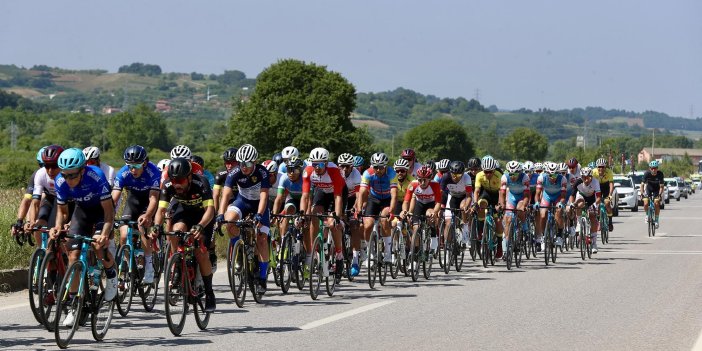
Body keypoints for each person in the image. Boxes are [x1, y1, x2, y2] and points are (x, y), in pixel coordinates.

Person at [49, 148, 117, 326]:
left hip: (102, 213)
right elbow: (63, 212)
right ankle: (73, 306)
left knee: (98, 246)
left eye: (73, 175)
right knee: (73, 256)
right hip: (82, 212)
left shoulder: (96, 176)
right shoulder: (60, 181)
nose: (69, 180)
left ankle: (112, 276)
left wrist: (104, 235)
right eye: (65, 175)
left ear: (82, 169)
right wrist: (57, 227)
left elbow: (109, 213)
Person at [153, 157, 216, 311]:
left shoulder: (201, 182)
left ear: (189, 177)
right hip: (184, 212)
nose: (177, 184)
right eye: (174, 180)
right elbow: (161, 210)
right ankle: (178, 265)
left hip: (202, 216)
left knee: (201, 252)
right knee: (175, 231)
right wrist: (155, 227)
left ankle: (209, 292)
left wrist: (201, 226)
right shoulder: (168, 185)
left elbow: (210, 210)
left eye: (180, 180)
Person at [216, 144, 271, 293]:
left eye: (247, 164)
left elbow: (264, 196)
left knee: (261, 239)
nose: (244, 167)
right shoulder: (234, 172)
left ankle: (262, 277)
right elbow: (226, 195)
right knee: (229, 222)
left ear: (254, 162)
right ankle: (239, 250)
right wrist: (220, 215)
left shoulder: (262, 172)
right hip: (243, 202)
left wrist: (259, 214)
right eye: (241, 164)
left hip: (259, 205)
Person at [111, 145, 161, 284]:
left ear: (144, 162)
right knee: (123, 234)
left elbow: (154, 199)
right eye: (129, 165)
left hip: (149, 201)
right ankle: (129, 263)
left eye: (137, 165)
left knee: (142, 226)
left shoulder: (153, 172)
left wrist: (148, 215)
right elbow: (114, 198)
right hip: (133, 201)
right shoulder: (123, 173)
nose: (133, 169)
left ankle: (149, 266)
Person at [300, 147, 346, 280]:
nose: (317, 167)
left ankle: (339, 255)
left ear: (326, 163)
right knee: (314, 215)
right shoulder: (308, 171)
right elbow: (305, 196)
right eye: (314, 164)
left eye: (320, 164)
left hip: (336, 193)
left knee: (333, 223)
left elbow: (338, 197)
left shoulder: (334, 171)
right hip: (321, 191)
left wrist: (337, 217)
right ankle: (314, 250)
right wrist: (303, 214)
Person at [356, 152, 397, 274]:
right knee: (367, 225)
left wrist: (392, 210)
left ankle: (388, 253)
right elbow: (362, 192)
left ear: (385, 166)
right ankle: (370, 254)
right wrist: (358, 210)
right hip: (373, 198)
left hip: (387, 199)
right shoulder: (368, 173)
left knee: (384, 220)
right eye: (375, 167)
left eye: (381, 167)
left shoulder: (391, 173)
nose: (378, 170)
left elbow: (394, 195)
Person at [401, 165, 442, 254]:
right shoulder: (413, 184)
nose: (422, 182)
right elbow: (406, 201)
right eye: (420, 180)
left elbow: (438, 202)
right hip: (419, 204)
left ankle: (434, 237)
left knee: (430, 215)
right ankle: (415, 253)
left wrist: (435, 212)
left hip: (430, 204)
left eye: (425, 180)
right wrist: (404, 211)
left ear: (429, 179)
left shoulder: (435, 185)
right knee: (415, 228)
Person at [12, 146, 45, 242]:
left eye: (51, 165)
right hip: (45, 207)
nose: (45, 169)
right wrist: (20, 221)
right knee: (35, 199)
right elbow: (27, 200)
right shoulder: (37, 175)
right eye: (41, 164)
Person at [472, 157, 505, 258]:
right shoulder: (479, 175)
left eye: (490, 172)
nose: (488, 174)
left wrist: (500, 205)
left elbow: (501, 192)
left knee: (498, 221)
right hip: (485, 194)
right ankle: (481, 230)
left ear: (494, 170)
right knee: (481, 204)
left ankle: (499, 245)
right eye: (486, 172)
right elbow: (477, 191)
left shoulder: (500, 176)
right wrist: (475, 203)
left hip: (496, 196)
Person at [499, 161, 530, 257]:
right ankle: (506, 247)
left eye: (515, 174)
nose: (512, 176)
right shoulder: (504, 177)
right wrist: (502, 205)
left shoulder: (525, 177)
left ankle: (524, 227)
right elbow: (502, 193)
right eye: (511, 174)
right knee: (508, 219)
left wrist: (524, 206)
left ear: (520, 172)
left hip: (522, 197)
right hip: (512, 197)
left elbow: (526, 195)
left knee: (520, 210)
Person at [534, 162, 567, 250]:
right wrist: (537, 202)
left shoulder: (563, 179)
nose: (552, 178)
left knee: (559, 211)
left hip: (558, 196)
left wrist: (561, 203)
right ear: (547, 174)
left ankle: (559, 235)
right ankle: (544, 236)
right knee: (543, 214)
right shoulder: (541, 177)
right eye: (550, 176)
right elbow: (538, 193)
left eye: (555, 176)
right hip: (547, 196)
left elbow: (563, 196)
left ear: (558, 174)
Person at [439, 160, 472, 246]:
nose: (455, 177)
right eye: (453, 175)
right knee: (448, 222)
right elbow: (440, 193)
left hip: (464, 196)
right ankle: (447, 246)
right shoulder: (446, 177)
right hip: (453, 196)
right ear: (450, 172)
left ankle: (465, 228)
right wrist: (438, 206)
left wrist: (466, 206)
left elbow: (469, 196)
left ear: (463, 173)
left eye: (458, 175)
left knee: (462, 207)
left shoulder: (466, 177)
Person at [570, 167, 601, 253]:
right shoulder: (578, 182)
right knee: (579, 204)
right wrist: (572, 204)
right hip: (582, 196)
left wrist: (595, 205)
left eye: (588, 177)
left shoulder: (595, 182)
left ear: (591, 177)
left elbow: (598, 197)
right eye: (584, 177)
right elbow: (572, 195)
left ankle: (594, 244)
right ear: (581, 177)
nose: (586, 180)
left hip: (592, 198)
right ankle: (579, 223)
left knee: (593, 218)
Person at [273, 156, 304, 236]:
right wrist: (275, 215)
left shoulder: (304, 179)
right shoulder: (284, 178)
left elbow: (308, 199)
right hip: (292, 199)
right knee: (288, 211)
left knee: (306, 223)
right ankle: (283, 241)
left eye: (295, 170)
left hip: (305, 200)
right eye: (289, 170)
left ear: (300, 171)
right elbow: (279, 198)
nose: (291, 173)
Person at [640, 160, 665, 229]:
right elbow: (642, 185)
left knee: (656, 203)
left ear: (657, 168)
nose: (654, 170)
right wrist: (642, 193)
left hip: (657, 190)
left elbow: (661, 187)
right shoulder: (646, 174)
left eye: (655, 168)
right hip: (649, 189)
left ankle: (656, 220)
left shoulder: (660, 174)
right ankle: (647, 215)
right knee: (645, 203)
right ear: (650, 168)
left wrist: (660, 194)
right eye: (652, 168)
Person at [592, 158, 614, 232]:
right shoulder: (593, 172)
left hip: (605, 187)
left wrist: (610, 194)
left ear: (605, 167)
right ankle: (598, 222)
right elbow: (591, 184)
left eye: (602, 167)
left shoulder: (609, 172)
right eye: (599, 167)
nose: (600, 169)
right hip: (597, 187)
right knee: (596, 205)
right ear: (596, 167)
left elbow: (611, 184)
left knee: (607, 203)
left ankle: (610, 222)